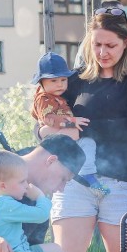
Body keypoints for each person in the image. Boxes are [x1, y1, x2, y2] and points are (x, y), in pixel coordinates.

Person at [51, 2, 127, 252]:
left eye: (110, 45)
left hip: (122, 185)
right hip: (75, 183)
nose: (102, 52)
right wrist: (48, 129)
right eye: (97, 44)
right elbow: (49, 120)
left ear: (126, 42)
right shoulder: (74, 80)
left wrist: (80, 129)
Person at [30, 51, 106, 193]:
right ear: (41, 82)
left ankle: (85, 174)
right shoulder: (44, 98)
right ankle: (86, 174)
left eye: (63, 80)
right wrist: (71, 121)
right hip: (57, 134)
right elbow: (49, 118)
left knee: (86, 144)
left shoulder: (55, 95)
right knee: (86, 144)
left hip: (61, 134)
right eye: (54, 81)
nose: (60, 84)